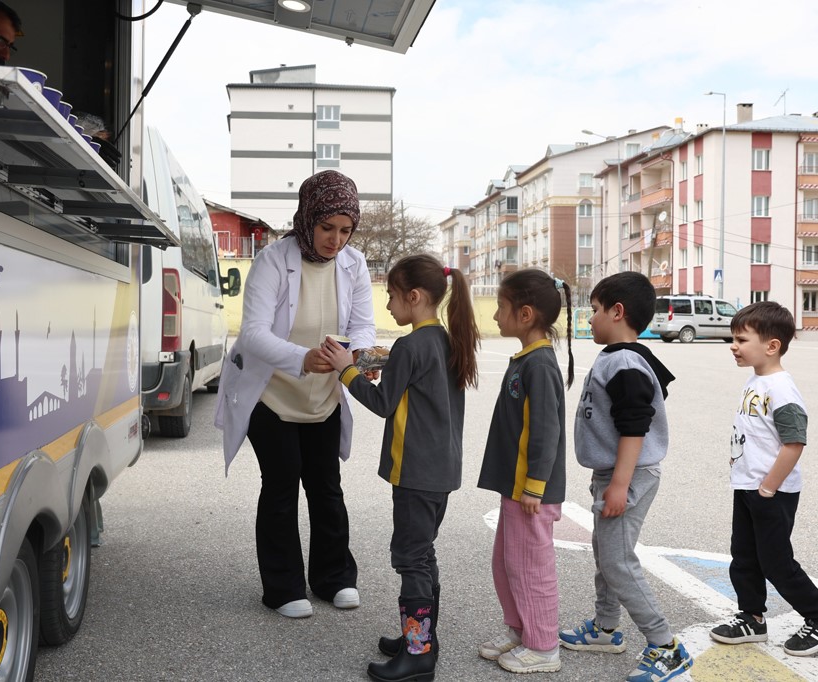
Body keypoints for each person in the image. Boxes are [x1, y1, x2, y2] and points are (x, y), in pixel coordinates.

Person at [213, 170, 375, 619]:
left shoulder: (354, 264)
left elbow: (362, 324)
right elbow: (252, 334)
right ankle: (284, 587)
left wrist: (356, 354)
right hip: (273, 397)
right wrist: (302, 359)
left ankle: (335, 577)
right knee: (282, 486)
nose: (336, 240)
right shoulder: (273, 259)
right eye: (327, 228)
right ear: (307, 218)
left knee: (326, 488)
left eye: (345, 231)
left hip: (323, 398)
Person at [320, 253, 480, 682]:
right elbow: (407, 376)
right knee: (423, 553)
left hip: (414, 472)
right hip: (440, 470)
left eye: (391, 297)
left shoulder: (412, 345)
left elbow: (382, 403)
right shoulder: (442, 339)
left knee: (410, 558)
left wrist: (347, 370)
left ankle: (418, 654)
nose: (388, 306)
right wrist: (375, 362)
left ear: (414, 296)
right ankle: (423, 638)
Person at [559, 272, 692, 682]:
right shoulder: (624, 355)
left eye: (596, 310)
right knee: (607, 552)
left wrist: (619, 484)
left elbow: (635, 426)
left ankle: (665, 645)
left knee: (617, 559)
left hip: (627, 477)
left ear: (617, 312)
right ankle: (605, 627)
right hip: (615, 473)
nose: (591, 318)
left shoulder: (624, 361)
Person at [708, 301, 818, 656]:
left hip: (772, 490)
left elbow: (795, 441)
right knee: (744, 555)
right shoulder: (757, 381)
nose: (733, 346)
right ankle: (751, 617)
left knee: (776, 561)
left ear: (772, 345)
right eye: (732, 339)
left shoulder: (781, 388)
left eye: (741, 339)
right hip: (749, 486)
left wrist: (769, 486)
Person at [475, 268, 573, 674]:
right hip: (516, 489)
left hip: (531, 492)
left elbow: (546, 431)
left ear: (526, 314)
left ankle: (543, 646)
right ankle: (520, 631)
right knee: (508, 563)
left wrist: (534, 486)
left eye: (501, 308)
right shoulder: (527, 358)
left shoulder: (540, 365)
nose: (496, 316)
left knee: (531, 568)